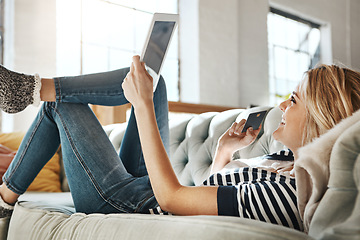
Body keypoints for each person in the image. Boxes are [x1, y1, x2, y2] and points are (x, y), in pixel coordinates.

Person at [0, 56, 359, 232]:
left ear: (321, 119)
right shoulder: (282, 158)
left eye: (294, 100)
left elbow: (174, 199)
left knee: (61, 105)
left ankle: (5, 194)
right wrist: (223, 152)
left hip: (131, 205)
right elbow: (218, 200)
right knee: (156, 80)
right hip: (147, 191)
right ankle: (27, 90)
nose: (282, 105)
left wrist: (140, 106)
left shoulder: (290, 194)